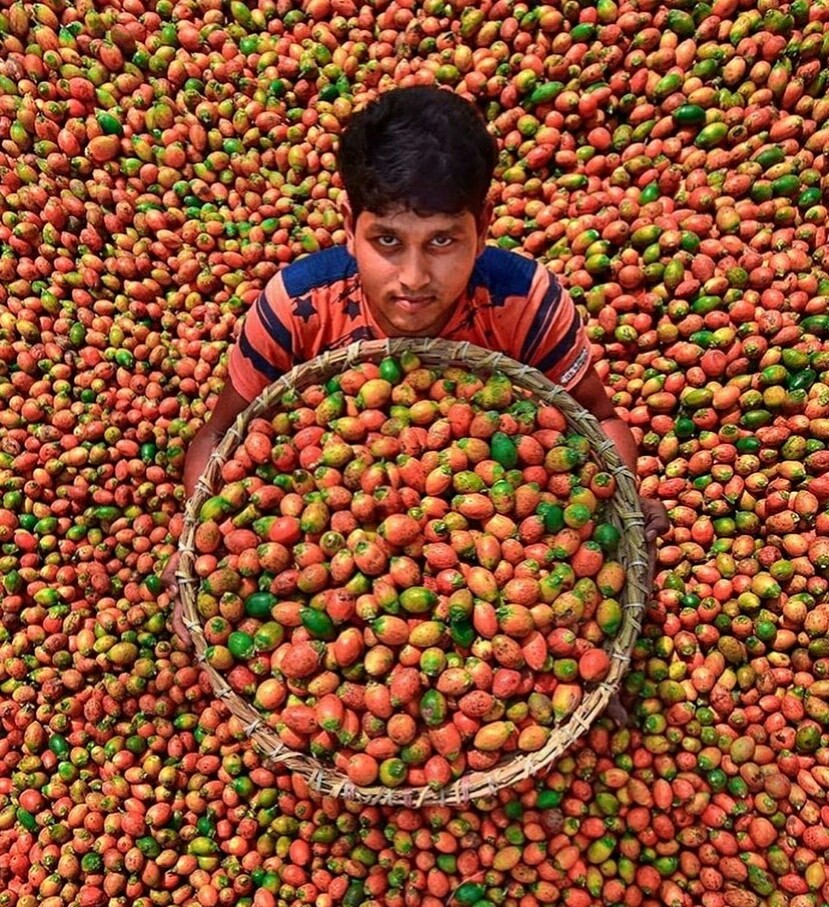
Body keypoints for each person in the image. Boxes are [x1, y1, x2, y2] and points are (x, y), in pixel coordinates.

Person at [164, 85, 669, 644]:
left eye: (443, 241)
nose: (413, 277)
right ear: (349, 226)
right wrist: (200, 535)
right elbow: (219, 433)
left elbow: (599, 419)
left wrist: (613, 508)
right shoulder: (297, 308)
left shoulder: (524, 305)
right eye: (386, 240)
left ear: (482, 228)